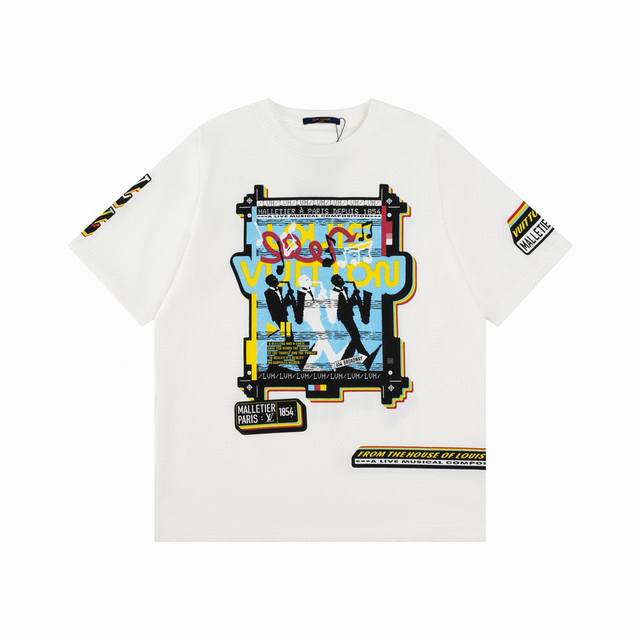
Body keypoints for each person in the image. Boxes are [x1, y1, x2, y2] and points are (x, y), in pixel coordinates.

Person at [295, 275, 340, 367]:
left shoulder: (312, 289)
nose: (310, 280)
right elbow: (302, 307)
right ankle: (328, 360)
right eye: (307, 279)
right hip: (310, 318)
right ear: (302, 283)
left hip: (317, 316)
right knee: (323, 337)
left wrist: (321, 296)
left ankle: (312, 362)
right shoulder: (300, 293)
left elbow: (315, 302)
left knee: (322, 338)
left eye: (309, 278)